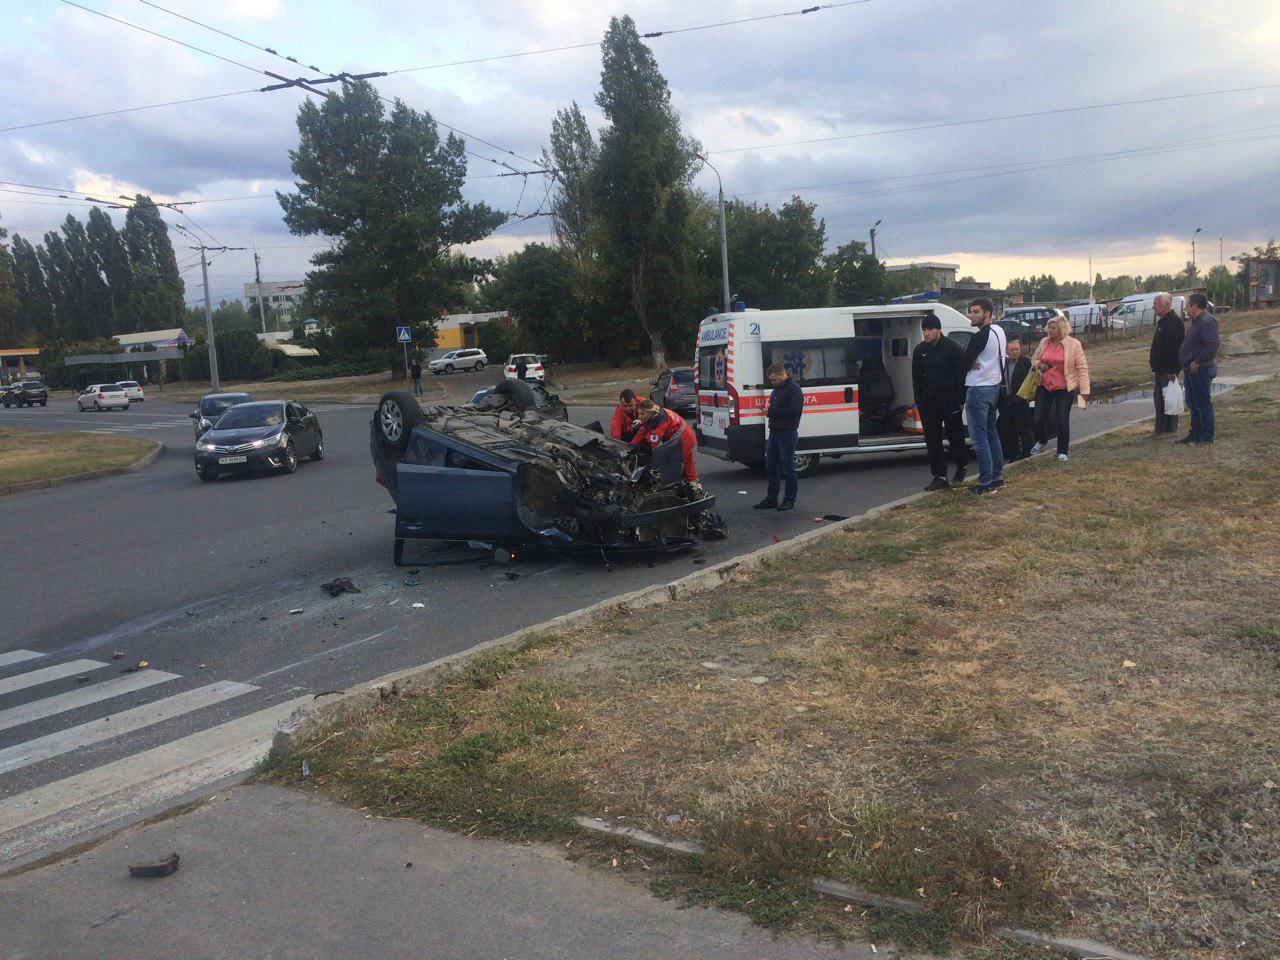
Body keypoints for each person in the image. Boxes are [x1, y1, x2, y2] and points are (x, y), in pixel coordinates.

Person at [911, 315, 967, 490]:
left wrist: (960, 401)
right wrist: (919, 400)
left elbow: (962, 376)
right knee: (933, 440)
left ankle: (961, 466)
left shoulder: (953, 348)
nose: (926, 333)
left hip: (950, 402)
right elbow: (916, 377)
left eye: (929, 330)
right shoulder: (920, 350)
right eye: (924, 330)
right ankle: (939, 476)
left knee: (955, 437)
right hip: (928, 403)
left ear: (938, 329)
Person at [961, 298, 1007, 494]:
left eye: (975, 312)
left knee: (979, 438)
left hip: (978, 388)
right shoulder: (1000, 331)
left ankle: (985, 482)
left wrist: (969, 362)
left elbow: (963, 361)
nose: (971, 315)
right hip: (994, 387)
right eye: (971, 311)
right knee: (991, 434)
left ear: (986, 314)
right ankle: (997, 478)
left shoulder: (980, 336)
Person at [1030, 316, 1090, 461]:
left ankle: (1062, 451)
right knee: (1037, 418)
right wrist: (1039, 365)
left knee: (1061, 420)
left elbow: (1081, 367)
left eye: (1053, 328)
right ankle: (1041, 440)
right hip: (1045, 385)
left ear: (1062, 328)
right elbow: (1034, 358)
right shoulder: (1044, 342)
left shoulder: (1074, 344)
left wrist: (1084, 390)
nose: (1050, 331)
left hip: (1064, 387)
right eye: (1048, 328)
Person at [753, 362, 804, 511]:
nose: (772, 382)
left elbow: (794, 410)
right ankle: (771, 499)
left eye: (774, 379)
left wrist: (771, 411)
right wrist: (769, 410)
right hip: (775, 432)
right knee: (771, 466)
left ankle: (789, 500)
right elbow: (778, 408)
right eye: (771, 380)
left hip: (787, 433)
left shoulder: (794, 389)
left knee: (788, 469)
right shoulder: (777, 389)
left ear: (783, 374)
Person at [1178, 293, 1220, 445]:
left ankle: (1206, 436)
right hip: (1191, 368)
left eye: (1187, 305)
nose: (1185, 308)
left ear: (1195, 306)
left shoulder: (1207, 321)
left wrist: (1197, 361)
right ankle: (1194, 434)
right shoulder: (1196, 322)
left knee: (1202, 403)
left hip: (1201, 368)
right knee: (1192, 402)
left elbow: (1212, 344)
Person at [632, 399, 699, 487]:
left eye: (642, 414)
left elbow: (652, 442)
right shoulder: (655, 411)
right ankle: (694, 485)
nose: (639, 416)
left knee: (676, 464)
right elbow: (650, 423)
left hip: (684, 439)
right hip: (683, 436)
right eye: (639, 414)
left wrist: (637, 448)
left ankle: (679, 487)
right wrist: (641, 422)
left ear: (650, 413)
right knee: (687, 462)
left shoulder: (662, 420)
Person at [1149, 293, 1185, 436]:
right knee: (1159, 401)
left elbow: (1174, 349)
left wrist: (1172, 371)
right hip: (1160, 370)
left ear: (1167, 305)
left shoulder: (1174, 322)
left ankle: (1169, 430)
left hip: (1168, 371)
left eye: (1156, 304)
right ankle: (1160, 429)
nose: (1153, 307)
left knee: (1169, 400)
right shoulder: (1163, 321)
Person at [997, 339, 1035, 461]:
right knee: (1008, 429)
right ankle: (1013, 454)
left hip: (1020, 400)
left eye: (1016, 349)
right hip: (1007, 400)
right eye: (1012, 350)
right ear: (1007, 351)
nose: (1014, 352)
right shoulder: (1005, 363)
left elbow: (1031, 380)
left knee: (1024, 428)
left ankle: (1028, 452)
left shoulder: (1025, 362)